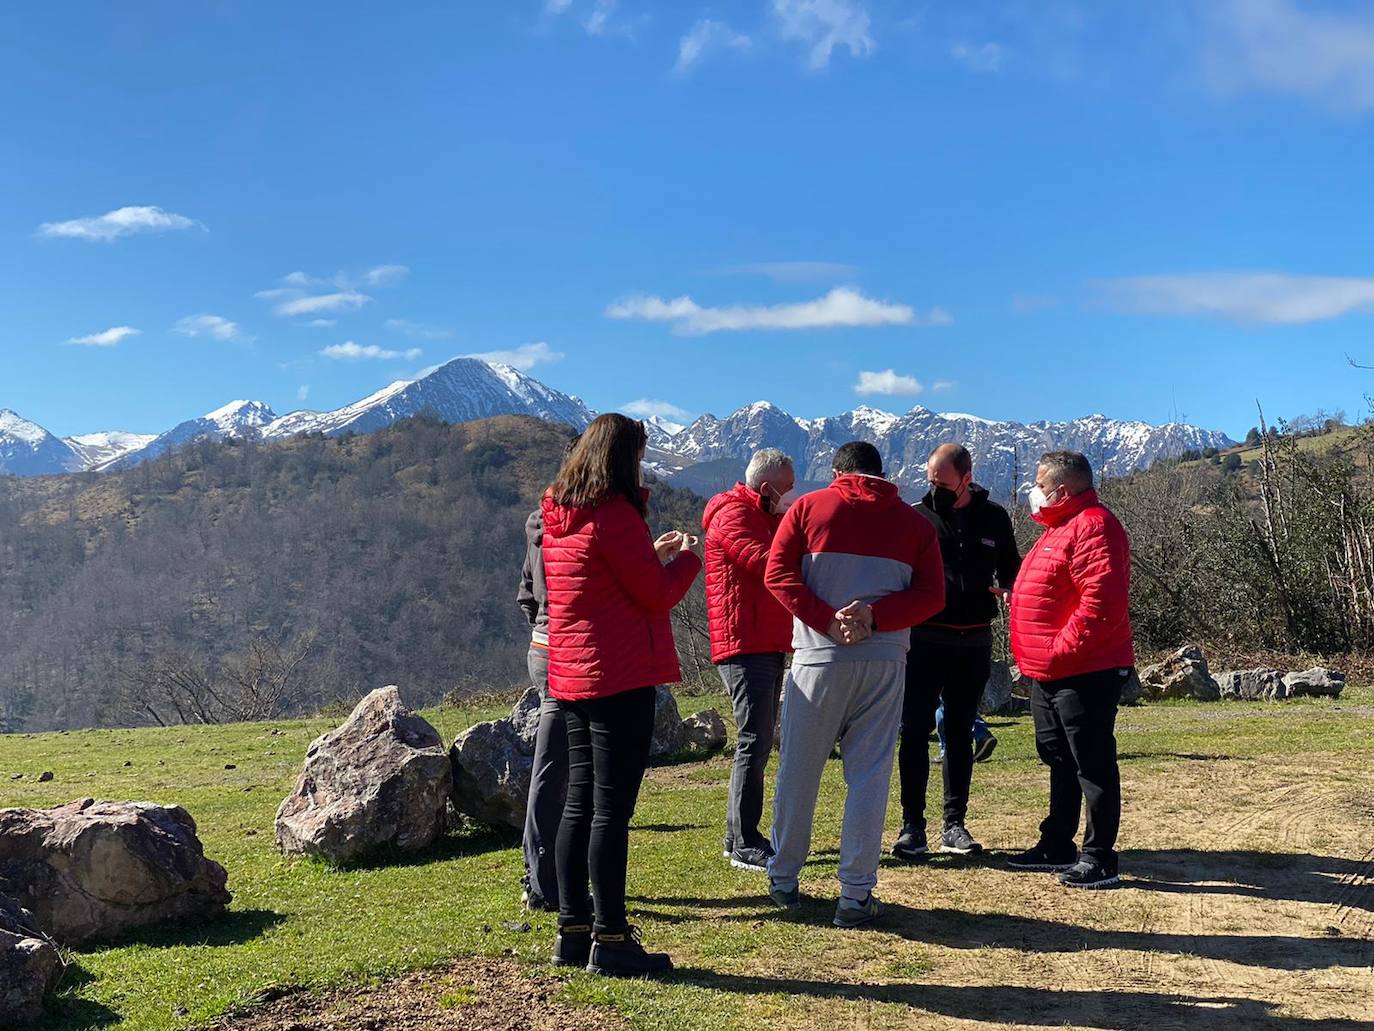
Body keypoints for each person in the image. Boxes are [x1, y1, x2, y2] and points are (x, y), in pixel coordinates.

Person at [541, 413, 702, 974]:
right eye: (638, 456)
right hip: (620, 676)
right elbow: (655, 596)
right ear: (622, 458)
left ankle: (572, 931)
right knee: (612, 810)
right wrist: (687, 561)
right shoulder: (614, 514)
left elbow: (604, 584)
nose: (643, 465)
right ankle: (611, 940)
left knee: (579, 804)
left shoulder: (562, 516)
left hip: (573, 678)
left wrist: (649, 555)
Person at [763, 441, 945, 927]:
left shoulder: (807, 508)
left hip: (819, 657)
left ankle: (783, 879)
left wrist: (828, 621)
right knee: (869, 776)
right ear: (880, 473)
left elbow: (777, 574)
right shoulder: (916, 524)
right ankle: (855, 895)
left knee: (799, 770)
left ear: (838, 472)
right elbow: (932, 596)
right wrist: (875, 616)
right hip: (885, 659)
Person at [1007, 450, 1134, 889]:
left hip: (1083, 670)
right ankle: (1057, 842)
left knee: (1092, 761)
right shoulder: (1058, 529)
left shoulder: (1095, 525)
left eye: (1040, 484)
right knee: (1058, 757)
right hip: (1048, 672)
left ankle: (1099, 855)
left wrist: (1060, 651)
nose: (1035, 492)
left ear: (1061, 489)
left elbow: (1103, 601)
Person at [892, 443, 1021, 862]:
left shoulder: (995, 518)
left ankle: (955, 824)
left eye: (942, 483)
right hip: (923, 640)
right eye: (930, 481)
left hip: (975, 641)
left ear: (966, 478)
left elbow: (1013, 571)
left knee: (962, 732)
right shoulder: (915, 517)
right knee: (913, 731)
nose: (935, 490)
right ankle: (912, 827)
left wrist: (1010, 593)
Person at [703, 448, 797, 873]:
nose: (791, 497)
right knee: (754, 738)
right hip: (745, 642)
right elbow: (764, 563)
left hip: (766, 639)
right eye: (788, 490)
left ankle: (735, 834)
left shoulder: (761, 515)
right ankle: (745, 839)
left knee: (758, 735)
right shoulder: (733, 517)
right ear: (766, 488)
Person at [516, 433, 579, 913]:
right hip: (569, 649)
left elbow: (525, 592)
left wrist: (541, 625)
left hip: (542, 645)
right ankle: (546, 880)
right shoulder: (578, 522)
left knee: (552, 764)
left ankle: (539, 871)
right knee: (561, 767)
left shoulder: (540, 520)